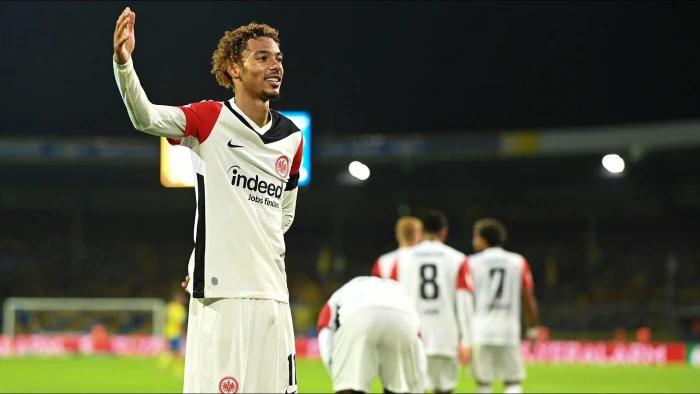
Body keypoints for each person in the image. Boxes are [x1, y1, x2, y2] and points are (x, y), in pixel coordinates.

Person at [113, 8, 303, 393]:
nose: (275, 65)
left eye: (278, 58)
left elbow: (283, 215)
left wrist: (252, 247)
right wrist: (123, 63)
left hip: (274, 298)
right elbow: (145, 118)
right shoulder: (209, 118)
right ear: (234, 68)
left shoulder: (292, 138)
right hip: (222, 296)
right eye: (263, 57)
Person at [390, 210, 472, 393]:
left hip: (413, 334)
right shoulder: (458, 259)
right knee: (444, 389)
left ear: (422, 231)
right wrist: (467, 340)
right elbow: (464, 301)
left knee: (414, 388)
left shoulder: (402, 258)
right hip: (445, 335)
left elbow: (393, 296)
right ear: (444, 232)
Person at [464, 218, 540, 394]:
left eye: (475, 237)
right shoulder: (518, 261)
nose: (473, 241)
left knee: (483, 384)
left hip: (480, 329)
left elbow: (465, 299)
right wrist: (533, 328)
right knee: (513, 382)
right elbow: (527, 297)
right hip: (509, 330)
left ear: (483, 239)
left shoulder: (470, 263)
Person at [316, 276, 426, 394]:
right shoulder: (398, 288)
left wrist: (336, 372)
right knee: (401, 388)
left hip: (359, 315)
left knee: (349, 387)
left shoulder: (344, 290)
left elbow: (324, 326)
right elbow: (418, 340)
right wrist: (419, 385)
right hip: (403, 319)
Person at [158, 290, 187, 374]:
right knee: (176, 351)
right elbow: (180, 322)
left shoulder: (169, 306)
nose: (183, 300)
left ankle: (162, 364)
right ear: (178, 299)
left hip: (168, 330)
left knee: (171, 350)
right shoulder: (180, 308)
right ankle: (177, 369)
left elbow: (165, 318)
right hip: (175, 332)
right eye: (182, 298)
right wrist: (182, 332)